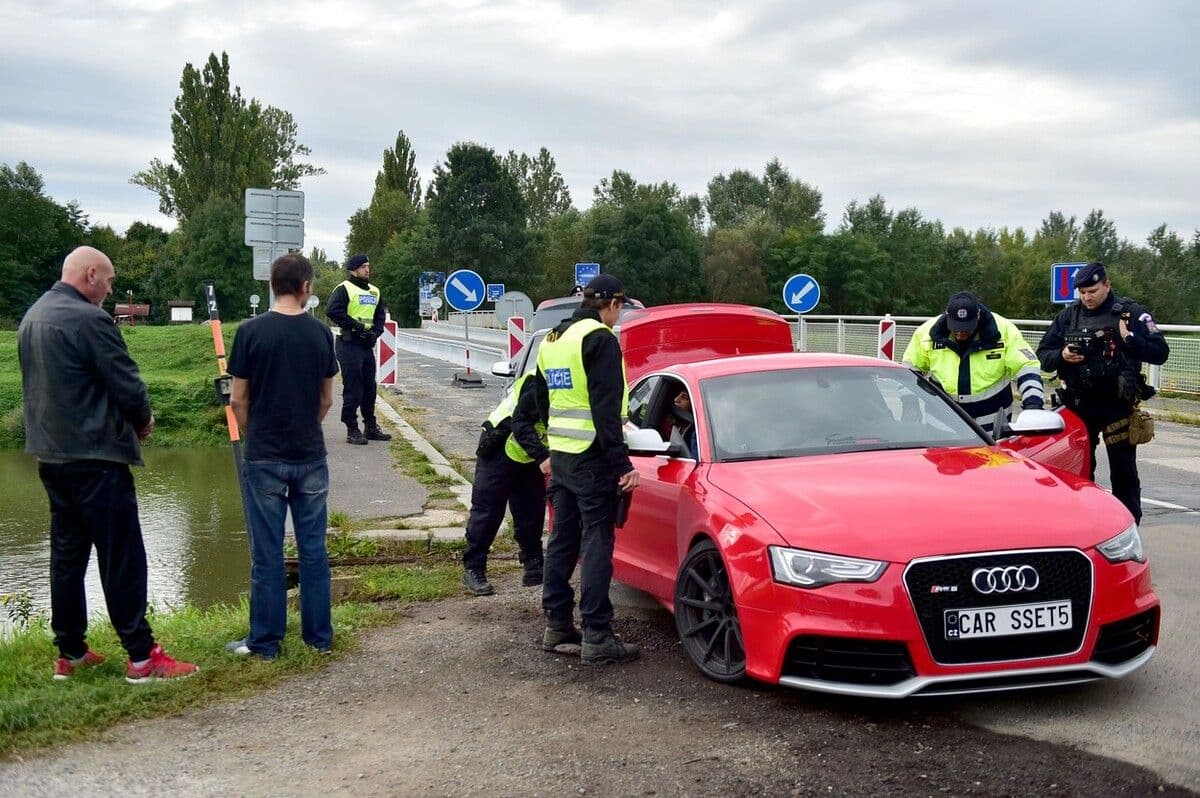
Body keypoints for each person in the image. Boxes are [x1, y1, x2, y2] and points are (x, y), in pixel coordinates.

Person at [18, 246, 198, 683]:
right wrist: (144, 420)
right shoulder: (91, 320)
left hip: (52, 455)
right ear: (91, 274)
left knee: (67, 554)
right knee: (122, 556)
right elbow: (126, 381)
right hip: (97, 456)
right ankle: (141, 656)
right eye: (111, 280)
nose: (111, 288)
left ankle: (71, 653)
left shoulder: (33, 317)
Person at [226, 253, 339, 659]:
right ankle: (319, 639)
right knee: (313, 551)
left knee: (267, 553)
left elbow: (239, 398)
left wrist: (256, 432)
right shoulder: (322, 335)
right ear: (306, 286)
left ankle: (266, 643)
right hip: (310, 454)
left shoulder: (250, 331)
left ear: (273, 286)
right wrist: (306, 426)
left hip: (264, 455)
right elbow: (326, 400)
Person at [531, 273, 641, 665]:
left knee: (563, 539)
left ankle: (557, 623)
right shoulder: (600, 340)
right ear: (612, 304)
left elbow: (540, 400)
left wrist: (551, 446)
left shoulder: (553, 341)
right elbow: (606, 411)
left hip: (561, 454)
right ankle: (596, 633)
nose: (619, 316)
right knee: (597, 541)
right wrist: (622, 464)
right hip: (592, 457)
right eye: (620, 308)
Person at [1036, 262, 1169, 524]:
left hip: (1116, 407)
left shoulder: (1130, 314)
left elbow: (1160, 353)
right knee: (1078, 473)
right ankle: (1083, 529)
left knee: (1124, 476)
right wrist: (1062, 356)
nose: (1087, 297)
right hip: (1078, 406)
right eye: (1083, 292)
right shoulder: (1068, 316)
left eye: (1093, 290)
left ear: (1107, 285)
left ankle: (1127, 532)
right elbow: (1043, 356)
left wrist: (1130, 339)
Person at [902, 291, 1046, 433]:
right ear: (947, 317)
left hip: (993, 425)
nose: (960, 334)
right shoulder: (926, 333)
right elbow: (909, 369)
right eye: (955, 328)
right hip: (942, 424)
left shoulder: (1004, 330)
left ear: (978, 317)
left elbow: (1026, 366)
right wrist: (910, 405)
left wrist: (1033, 406)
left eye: (966, 330)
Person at [460, 371, 549, 596]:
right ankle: (474, 568)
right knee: (488, 510)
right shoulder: (541, 380)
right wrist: (543, 456)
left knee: (531, 510)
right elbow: (521, 422)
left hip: (528, 452)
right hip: (501, 443)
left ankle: (534, 565)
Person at [326, 253, 391, 445]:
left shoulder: (375, 291)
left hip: (366, 344)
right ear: (354, 269)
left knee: (370, 388)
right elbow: (332, 311)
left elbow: (380, 316)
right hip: (348, 343)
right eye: (364, 266)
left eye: (368, 266)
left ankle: (370, 427)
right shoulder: (344, 289)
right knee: (353, 388)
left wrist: (375, 333)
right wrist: (357, 326)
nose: (368, 269)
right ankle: (351, 428)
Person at [670, 389, 699, 459]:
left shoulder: (696, 434)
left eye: (684, 397)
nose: (676, 400)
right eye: (676, 396)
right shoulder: (676, 426)